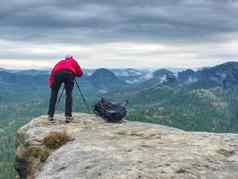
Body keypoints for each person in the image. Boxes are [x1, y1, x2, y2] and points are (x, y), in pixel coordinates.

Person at [48, 55, 83, 123]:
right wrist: (74, 73)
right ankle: (68, 116)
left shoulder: (60, 62)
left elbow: (52, 73)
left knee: (54, 94)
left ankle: (50, 115)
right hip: (69, 74)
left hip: (57, 74)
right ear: (71, 58)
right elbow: (80, 73)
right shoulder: (73, 61)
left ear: (65, 58)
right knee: (68, 94)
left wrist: (51, 85)